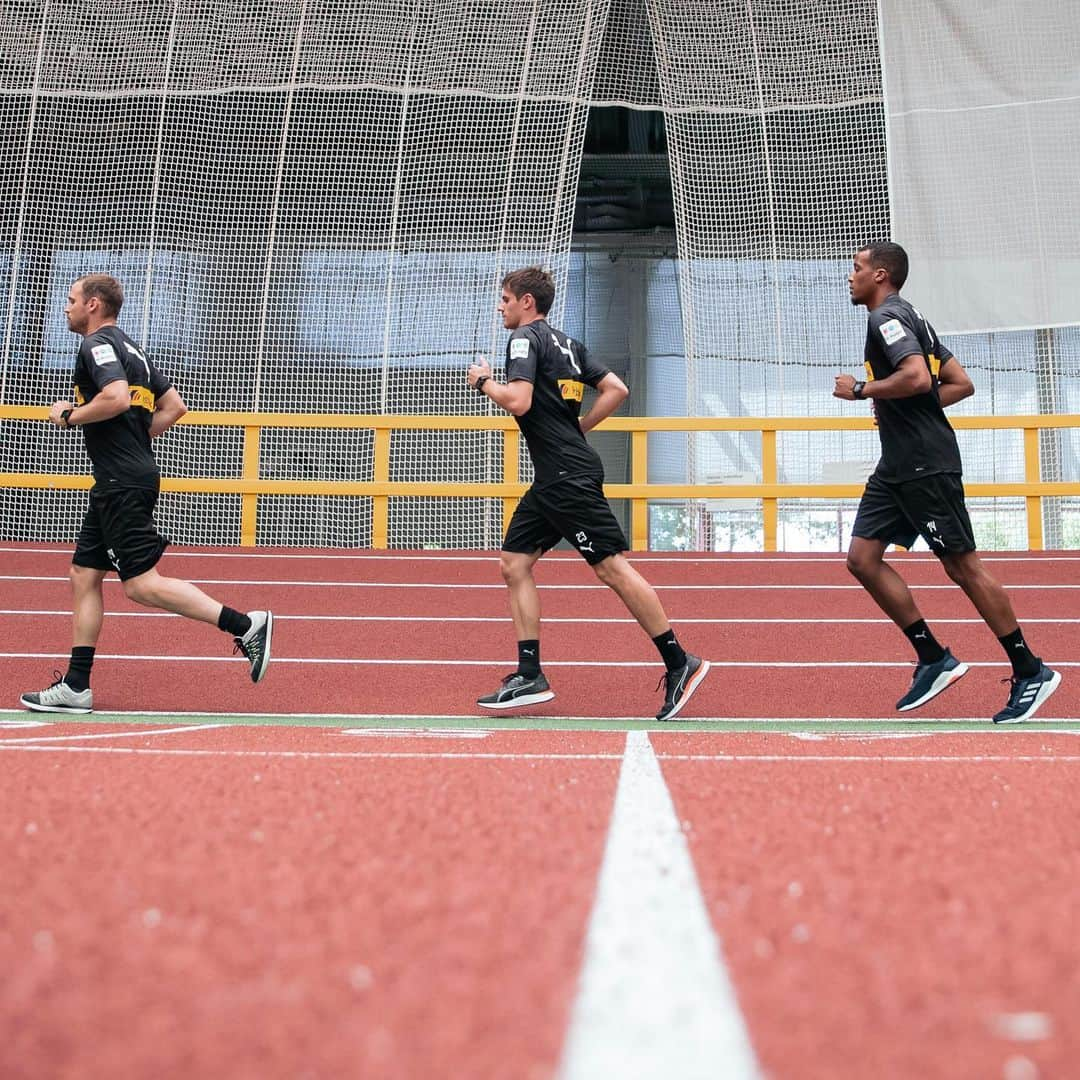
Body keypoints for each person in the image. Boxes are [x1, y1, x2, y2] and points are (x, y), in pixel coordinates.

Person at [20, 273, 272, 714]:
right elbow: (174, 406)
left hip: (121, 480)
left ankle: (246, 624)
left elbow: (116, 397)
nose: (66, 307)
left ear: (94, 305)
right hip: (120, 477)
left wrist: (69, 415)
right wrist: (135, 440)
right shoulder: (131, 348)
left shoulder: (95, 346)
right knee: (84, 574)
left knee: (140, 586)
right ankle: (76, 686)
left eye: (71, 299)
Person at [467, 267, 709, 720]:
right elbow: (616, 389)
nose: (500, 306)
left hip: (565, 476)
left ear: (526, 303)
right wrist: (579, 428)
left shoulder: (523, 340)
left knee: (612, 570)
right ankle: (530, 674)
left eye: (504, 298)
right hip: (555, 477)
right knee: (514, 562)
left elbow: (518, 401)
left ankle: (681, 662)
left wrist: (483, 382)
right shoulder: (569, 345)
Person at [835, 242, 1060, 723]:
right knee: (862, 558)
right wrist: (900, 407)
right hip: (896, 466)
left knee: (963, 568)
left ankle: (1030, 669)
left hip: (924, 465)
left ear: (880, 275)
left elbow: (916, 377)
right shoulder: (914, 317)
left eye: (856, 269)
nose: (848, 276)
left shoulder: (887, 320)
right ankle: (933, 657)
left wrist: (862, 390)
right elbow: (959, 384)